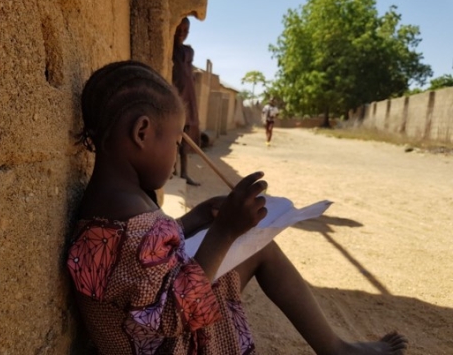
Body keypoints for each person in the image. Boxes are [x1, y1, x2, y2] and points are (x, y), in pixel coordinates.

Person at [67, 60, 408, 355]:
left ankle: (334, 347)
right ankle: (334, 348)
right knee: (257, 248)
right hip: (166, 344)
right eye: (174, 141)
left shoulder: (112, 203)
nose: (176, 156)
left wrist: (195, 219)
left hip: (147, 332)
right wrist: (225, 231)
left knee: (260, 248)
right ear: (142, 132)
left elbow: (149, 254)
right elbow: (174, 315)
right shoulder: (126, 221)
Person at [172, 17, 200, 186]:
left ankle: (184, 173)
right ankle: (172, 170)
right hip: (176, 98)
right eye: (179, 29)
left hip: (189, 99)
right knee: (173, 136)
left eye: (185, 31)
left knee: (186, 139)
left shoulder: (188, 52)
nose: (181, 33)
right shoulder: (170, 50)